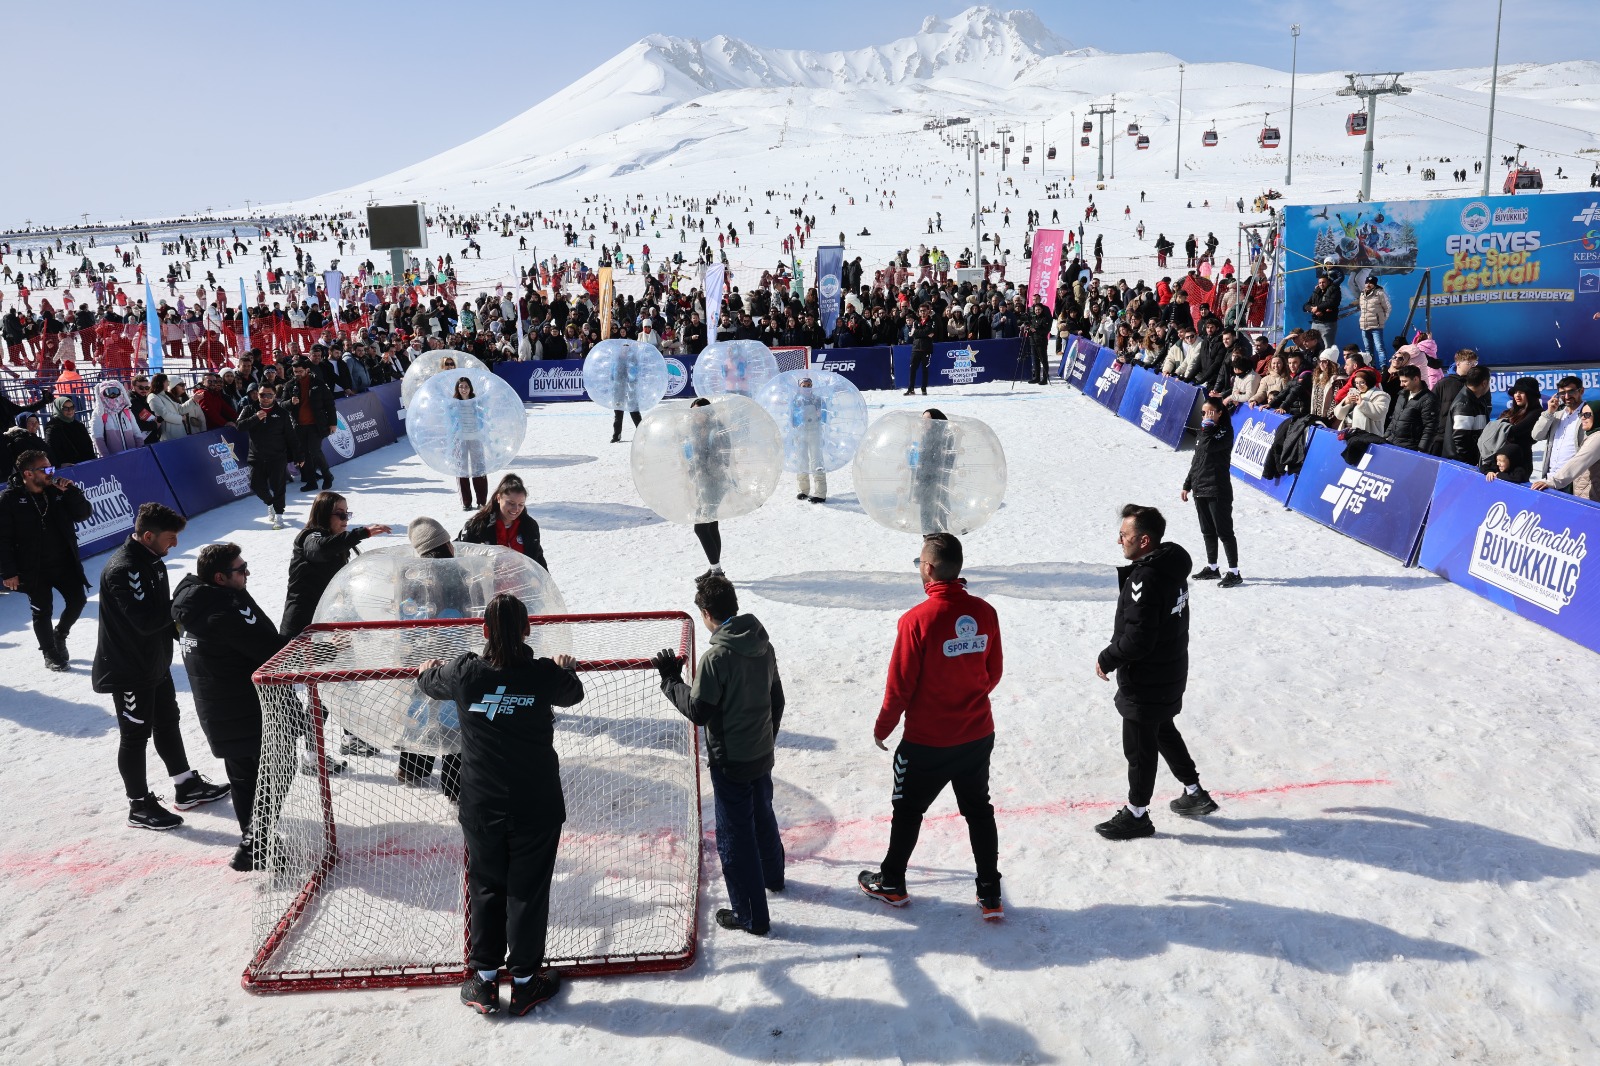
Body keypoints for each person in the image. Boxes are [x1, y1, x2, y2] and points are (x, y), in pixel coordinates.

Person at [418, 592, 583, 1016]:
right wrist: (565, 668)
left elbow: (427, 682)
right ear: (527, 629)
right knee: (527, 891)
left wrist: (426, 671)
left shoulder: (464, 672)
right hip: (536, 804)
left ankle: (485, 980)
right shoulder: (542, 673)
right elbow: (572, 692)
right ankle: (525, 982)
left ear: (485, 631)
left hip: (482, 804)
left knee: (488, 885)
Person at [856, 532, 1004, 916]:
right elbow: (994, 672)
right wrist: (964, 697)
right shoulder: (985, 613)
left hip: (926, 743)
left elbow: (900, 686)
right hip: (976, 735)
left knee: (907, 810)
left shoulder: (915, 621)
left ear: (928, 568)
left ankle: (891, 883)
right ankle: (990, 892)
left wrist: (882, 728)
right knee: (978, 810)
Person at [653, 571, 786, 934]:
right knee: (763, 815)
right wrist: (766, 738)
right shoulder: (763, 643)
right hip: (761, 753)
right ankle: (774, 876)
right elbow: (777, 698)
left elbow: (699, 711)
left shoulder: (716, 658)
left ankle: (751, 916)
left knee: (734, 837)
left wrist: (670, 681)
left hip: (732, 763)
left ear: (708, 614)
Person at [92, 502, 231, 830]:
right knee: (134, 735)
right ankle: (138, 805)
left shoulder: (152, 561)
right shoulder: (124, 568)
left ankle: (186, 786)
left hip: (153, 662)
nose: (176, 544)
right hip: (128, 670)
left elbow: (164, 618)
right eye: (171, 537)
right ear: (149, 535)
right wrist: (185, 603)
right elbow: (144, 620)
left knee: (168, 722)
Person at [1093, 504, 1217, 840]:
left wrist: (1107, 658)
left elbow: (1138, 639)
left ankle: (1137, 815)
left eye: (1125, 536)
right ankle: (1194, 792)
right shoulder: (1170, 565)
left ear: (1145, 540)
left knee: (1139, 748)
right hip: (1170, 671)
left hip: (1147, 680)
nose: (1120, 541)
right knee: (1162, 730)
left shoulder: (1146, 578)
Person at [171, 542, 289, 870]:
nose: (248, 572)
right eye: (241, 569)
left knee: (245, 777)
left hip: (223, 710)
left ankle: (256, 841)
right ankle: (255, 843)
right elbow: (270, 652)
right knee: (275, 770)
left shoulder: (198, 601)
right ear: (220, 578)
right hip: (243, 710)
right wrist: (323, 650)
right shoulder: (222, 610)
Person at [281, 491, 392, 762]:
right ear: (323, 514)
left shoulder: (337, 544)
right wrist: (361, 532)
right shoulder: (310, 538)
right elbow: (319, 550)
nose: (344, 519)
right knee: (320, 691)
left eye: (347, 514)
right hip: (307, 630)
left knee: (346, 684)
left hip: (331, 627)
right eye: (340, 514)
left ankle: (350, 737)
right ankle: (312, 754)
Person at [0, 450, 91, 670]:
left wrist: (71, 492)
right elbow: (2, 539)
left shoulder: (57, 491)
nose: (52, 472)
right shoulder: (9, 500)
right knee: (42, 611)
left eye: (52, 467)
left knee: (78, 600)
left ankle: (60, 633)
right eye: (46, 469)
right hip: (33, 567)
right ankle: (49, 653)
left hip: (63, 562)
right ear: (28, 474)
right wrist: (9, 572)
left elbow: (84, 514)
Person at [1183, 399, 1241, 587]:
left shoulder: (1225, 432)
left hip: (1217, 488)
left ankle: (1234, 571)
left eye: (1209, 413)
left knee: (1224, 531)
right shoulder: (1203, 433)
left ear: (1219, 413)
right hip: (1200, 488)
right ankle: (1213, 567)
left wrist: (1207, 429)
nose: (1205, 417)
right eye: (1203, 413)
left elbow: (1209, 448)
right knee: (1207, 531)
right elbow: (1197, 460)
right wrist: (1187, 484)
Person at [239, 383, 300, 529]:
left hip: (277, 457)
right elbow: (239, 426)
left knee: (278, 486)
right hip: (256, 457)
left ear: (274, 396)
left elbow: (291, 436)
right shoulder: (249, 409)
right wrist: (254, 418)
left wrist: (299, 456)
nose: (265, 398)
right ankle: (270, 503)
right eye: (262, 395)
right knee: (256, 485)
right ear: (257, 395)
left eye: (269, 395)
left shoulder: (282, 413)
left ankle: (279, 515)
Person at [457, 473, 548, 570]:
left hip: (522, 583)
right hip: (487, 584)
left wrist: (546, 582)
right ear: (499, 498)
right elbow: (458, 553)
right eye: (511, 503)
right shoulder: (479, 525)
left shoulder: (529, 526)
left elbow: (537, 559)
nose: (516, 509)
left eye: (521, 504)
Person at [686, 397, 731, 572]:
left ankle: (717, 570)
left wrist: (706, 471)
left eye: (700, 412)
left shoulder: (717, 431)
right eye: (694, 412)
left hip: (715, 483)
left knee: (701, 528)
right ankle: (715, 568)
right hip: (702, 483)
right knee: (711, 525)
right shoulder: (695, 430)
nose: (696, 416)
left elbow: (722, 458)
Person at [286, 356, 336, 492]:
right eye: (295, 372)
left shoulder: (318, 383)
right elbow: (282, 404)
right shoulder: (290, 385)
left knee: (315, 450)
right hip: (299, 425)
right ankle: (311, 481)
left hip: (316, 424)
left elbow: (330, 404)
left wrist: (333, 423)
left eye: (300, 371)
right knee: (303, 454)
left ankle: (327, 475)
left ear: (307, 370)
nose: (297, 374)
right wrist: (290, 402)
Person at [1533, 401, 1600, 499]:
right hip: (1586, 493)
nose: (1583, 418)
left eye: (1587, 414)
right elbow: (1536, 435)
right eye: (1581, 414)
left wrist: (1553, 482)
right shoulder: (1592, 435)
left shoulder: (1597, 438)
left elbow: (1579, 461)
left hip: (1593, 499)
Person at [1534, 376, 1588, 484]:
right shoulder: (1557, 415)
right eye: (1562, 393)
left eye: (1571, 391)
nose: (1567, 396)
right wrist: (1549, 413)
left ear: (1581, 391)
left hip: (1576, 480)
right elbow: (1537, 435)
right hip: (1550, 478)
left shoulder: (1589, 414)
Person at [448, 376, 491, 511]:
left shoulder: (476, 402)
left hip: (475, 438)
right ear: (457, 388)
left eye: (466, 386)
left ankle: (481, 501)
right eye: (461, 387)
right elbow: (449, 422)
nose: (464, 389)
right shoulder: (453, 404)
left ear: (470, 388)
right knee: (462, 470)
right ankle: (466, 502)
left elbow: (484, 418)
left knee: (479, 469)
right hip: (460, 440)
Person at [790, 377, 828, 503]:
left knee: (817, 462)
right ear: (799, 387)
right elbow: (791, 418)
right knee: (801, 461)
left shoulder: (817, 400)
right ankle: (803, 490)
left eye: (808, 385)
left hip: (814, 432)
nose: (806, 388)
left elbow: (825, 416)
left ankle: (820, 493)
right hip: (800, 434)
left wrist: (820, 415)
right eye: (804, 386)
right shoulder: (796, 401)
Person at [1444, 366, 1493, 465]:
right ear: (1484, 383)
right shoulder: (1464, 405)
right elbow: (1460, 441)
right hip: (1462, 465)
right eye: (1489, 381)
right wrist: (1468, 466)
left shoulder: (1478, 400)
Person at [1385, 365, 1438, 452]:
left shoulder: (1429, 400)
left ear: (1416, 379)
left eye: (1405, 381)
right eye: (1400, 381)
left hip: (1411, 448)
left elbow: (1430, 428)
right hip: (1393, 443)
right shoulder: (1402, 395)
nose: (1401, 384)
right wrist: (1386, 435)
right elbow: (1395, 417)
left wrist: (1422, 450)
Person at [90, 380, 145, 457]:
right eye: (109, 392)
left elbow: (137, 432)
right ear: (102, 394)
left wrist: (140, 449)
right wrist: (106, 457)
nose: (113, 395)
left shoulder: (126, 410)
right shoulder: (99, 413)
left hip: (133, 454)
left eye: (115, 391)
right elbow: (97, 437)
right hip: (114, 458)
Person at [44, 396, 94, 466]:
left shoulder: (79, 425)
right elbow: (51, 451)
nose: (70, 411)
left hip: (86, 466)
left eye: (72, 407)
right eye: (65, 408)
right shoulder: (53, 428)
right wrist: (60, 465)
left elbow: (89, 446)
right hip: (68, 470)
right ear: (58, 409)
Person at [1357, 276, 1391, 364]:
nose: (1368, 284)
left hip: (1376, 326)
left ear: (1374, 285)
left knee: (1379, 347)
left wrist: (1382, 320)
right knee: (1368, 348)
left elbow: (1388, 308)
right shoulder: (1362, 294)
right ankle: (1371, 366)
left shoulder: (1380, 293)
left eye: (1371, 283)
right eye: (1367, 282)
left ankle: (1383, 366)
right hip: (1364, 326)